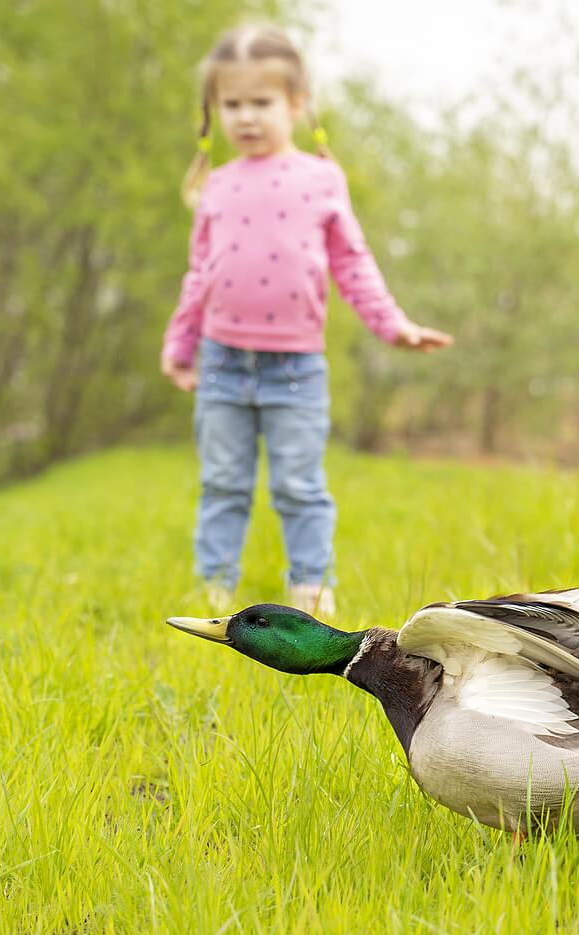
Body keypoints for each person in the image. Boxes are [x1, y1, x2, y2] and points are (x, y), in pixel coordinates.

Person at [160, 23, 451, 619]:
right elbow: (199, 273)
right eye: (231, 104)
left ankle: (312, 589)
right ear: (213, 113)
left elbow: (352, 262)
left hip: (294, 369)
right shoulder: (216, 186)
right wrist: (179, 345)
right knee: (223, 484)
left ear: (296, 104)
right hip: (220, 362)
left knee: (298, 486)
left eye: (260, 102)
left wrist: (392, 325)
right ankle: (213, 587)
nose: (246, 116)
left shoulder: (321, 179)